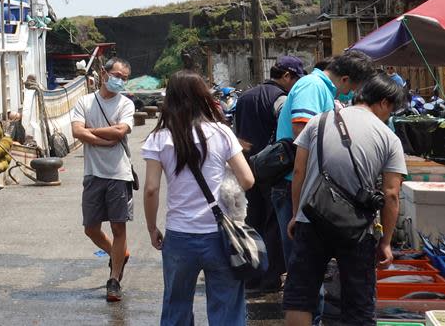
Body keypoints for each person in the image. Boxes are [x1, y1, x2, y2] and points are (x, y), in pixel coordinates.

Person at [283, 74, 407, 325]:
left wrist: (297, 214)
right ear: (383, 102)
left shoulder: (318, 121)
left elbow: (299, 172)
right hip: (357, 228)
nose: (389, 115)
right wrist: (385, 242)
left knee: (300, 297)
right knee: (358, 304)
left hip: (312, 218)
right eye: (391, 109)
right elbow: (392, 193)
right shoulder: (388, 138)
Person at [142, 70, 254, 325]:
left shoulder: (159, 137)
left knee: (176, 306)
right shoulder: (222, 133)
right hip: (220, 236)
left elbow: (150, 189)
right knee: (227, 308)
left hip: (179, 236)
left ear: (170, 98)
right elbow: (247, 180)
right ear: (202, 96)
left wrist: (151, 228)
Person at [270, 50, 376, 272]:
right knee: (302, 265)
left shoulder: (323, 89)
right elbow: (303, 137)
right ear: (345, 79)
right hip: (294, 183)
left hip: (306, 182)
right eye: (351, 89)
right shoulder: (313, 86)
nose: (349, 94)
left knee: (311, 263)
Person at [233, 55, 307, 292]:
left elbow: (237, 132)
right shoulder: (281, 99)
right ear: (286, 76)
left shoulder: (244, 96)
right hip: (273, 171)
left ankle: (250, 276)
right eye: (295, 79)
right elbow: (286, 135)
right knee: (273, 226)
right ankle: (270, 278)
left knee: (251, 221)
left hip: (247, 167)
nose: (296, 85)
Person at [70, 57, 136, 302]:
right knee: (91, 229)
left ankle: (114, 279)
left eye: (124, 78)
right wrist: (103, 140)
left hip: (119, 173)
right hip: (93, 173)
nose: (119, 81)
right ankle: (118, 254)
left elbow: (120, 131)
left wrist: (90, 132)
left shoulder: (126, 105)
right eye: (116, 75)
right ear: (103, 73)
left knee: (119, 227)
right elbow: (76, 132)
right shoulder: (85, 102)